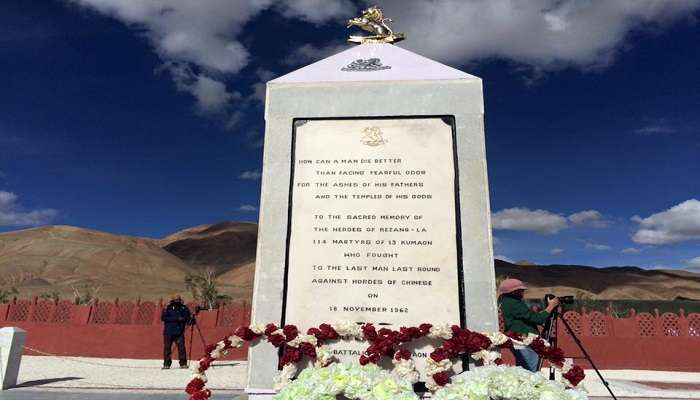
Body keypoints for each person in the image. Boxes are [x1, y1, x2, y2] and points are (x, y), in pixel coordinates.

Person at [498, 278, 560, 372]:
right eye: (521, 290)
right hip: (524, 341)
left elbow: (529, 316)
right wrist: (551, 306)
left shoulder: (506, 302)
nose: (523, 292)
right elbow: (538, 319)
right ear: (515, 292)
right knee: (531, 370)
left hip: (518, 340)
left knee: (523, 369)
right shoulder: (514, 303)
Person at [161, 294, 191, 369]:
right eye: (176, 300)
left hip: (179, 332)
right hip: (169, 331)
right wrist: (176, 318)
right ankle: (167, 364)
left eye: (178, 299)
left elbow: (187, 318)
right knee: (167, 348)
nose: (177, 301)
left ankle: (183, 363)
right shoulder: (167, 307)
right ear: (173, 300)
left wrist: (191, 320)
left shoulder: (184, 308)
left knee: (181, 348)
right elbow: (164, 318)